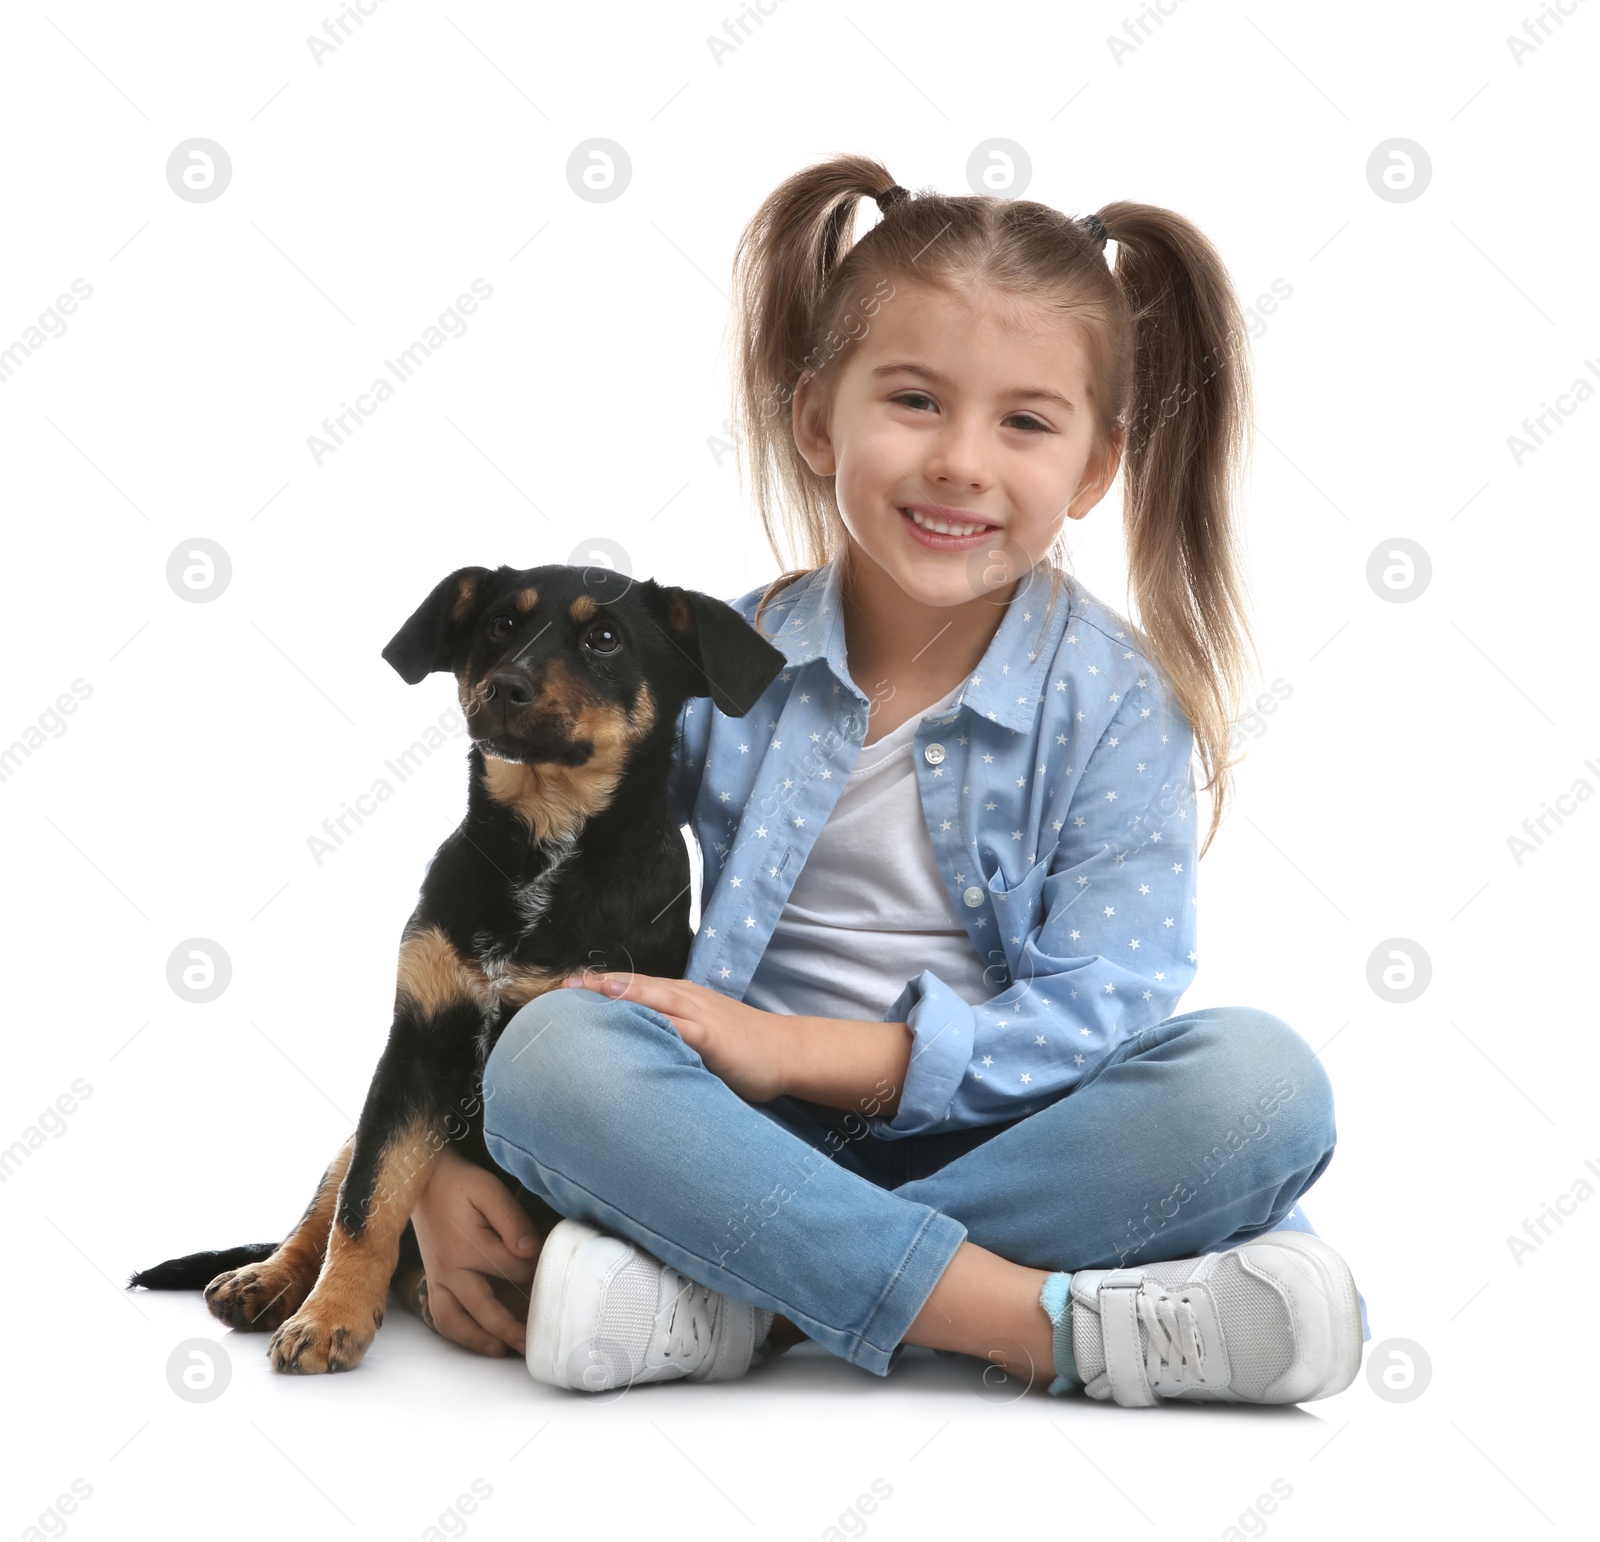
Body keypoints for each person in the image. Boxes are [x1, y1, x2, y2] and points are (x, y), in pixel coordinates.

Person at [406, 155, 1369, 1406]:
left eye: (1025, 422)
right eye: (913, 400)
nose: (963, 461)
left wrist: (801, 1049)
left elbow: (1106, 1012)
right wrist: (428, 1162)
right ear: (819, 419)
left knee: (1261, 1088)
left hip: (1028, 1138)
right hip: (734, 1137)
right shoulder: (721, 659)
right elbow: (521, 900)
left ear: (1090, 469)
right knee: (552, 1056)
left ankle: (736, 1296)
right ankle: (1046, 1320)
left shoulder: (1118, 703)